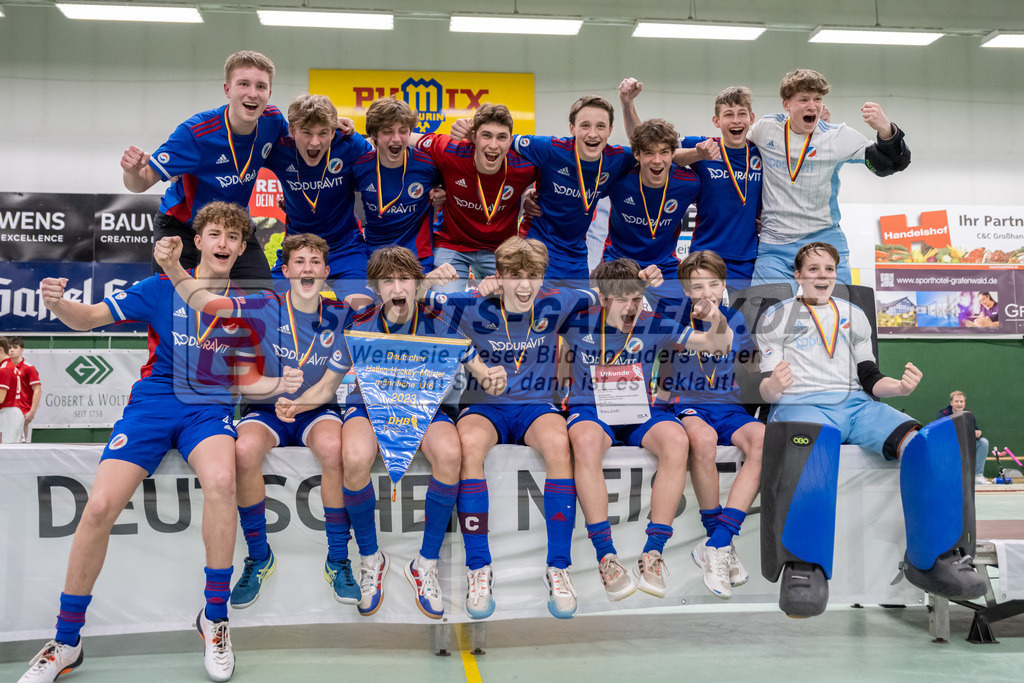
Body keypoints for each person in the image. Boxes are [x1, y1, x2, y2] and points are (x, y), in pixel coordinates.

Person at [19, 202, 303, 683]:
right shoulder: (158, 287)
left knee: (221, 481)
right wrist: (57, 305)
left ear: (242, 248)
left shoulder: (251, 303)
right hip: (152, 405)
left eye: (234, 238)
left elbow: (248, 378)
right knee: (99, 506)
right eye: (214, 233)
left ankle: (214, 618)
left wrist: (279, 385)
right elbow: (87, 318)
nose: (224, 244)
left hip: (207, 409)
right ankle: (67, 641)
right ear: (198, 240)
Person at [756, 241, 985, 617]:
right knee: (811, 449)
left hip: (856, 405)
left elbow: (870, 378)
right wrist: (775, 386)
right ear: (797, 275)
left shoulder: (853, 314)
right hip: (801, 403)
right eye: (813, 269)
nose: (822, 276)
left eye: (828, 269)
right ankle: (803, 567)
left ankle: (934, 558)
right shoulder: (776, 317)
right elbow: (766, 386)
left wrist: (900, 388)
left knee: (925, 443)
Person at [277, 245, 506, 620]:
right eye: (387, 281)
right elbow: (326, 386)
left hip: (426, 406)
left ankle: (425, 564)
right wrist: (298, 403)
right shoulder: (359, 323)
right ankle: (370, 558)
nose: (396, 287)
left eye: (403, 279)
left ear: (416, 284)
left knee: (450, 454)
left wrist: (493, 379)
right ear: (376, 288)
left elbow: (482, 371)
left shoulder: (440, 320)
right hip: (369, 405)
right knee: (352, 457)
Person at [155, 231, 360, 609]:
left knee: (334, 448)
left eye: (315, 262)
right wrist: (172, 268)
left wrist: (300, 404)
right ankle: (259, 555)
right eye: (299, 262)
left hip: (316, 409)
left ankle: (338, 558)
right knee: (244, 452)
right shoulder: (263, 305)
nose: (307, 268)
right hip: (265, 408)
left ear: (327, 271)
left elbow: (333, 382)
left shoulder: (339, 315)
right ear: (285, 270)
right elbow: (241, 379)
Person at [421, 236, 600, 619]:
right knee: (468, 445)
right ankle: (478, 568)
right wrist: (439, 280)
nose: (524, 285)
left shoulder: (558, 300)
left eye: (533, 275)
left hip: (535, 406)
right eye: (514, 276)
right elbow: (413, 298)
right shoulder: (473, 303)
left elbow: (601, 293)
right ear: (498, 276)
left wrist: (641, 277)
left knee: (558, 443)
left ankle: (559, 568)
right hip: (485, 406)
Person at [563, 258, 732, 601]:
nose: (631, 307)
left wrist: (717, 319)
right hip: (592, 409)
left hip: (639, 410)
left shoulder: (653, 321)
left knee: (676, 439)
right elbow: (530, 308)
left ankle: (653, 552)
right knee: (584, 441)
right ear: (604, 298)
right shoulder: (577, 321)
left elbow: (718, 345)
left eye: (637, 299)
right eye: (622, 299)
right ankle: (607, 557)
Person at [121, 51, 288, 291]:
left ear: (269, 94)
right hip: (182, 228)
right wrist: (133, 171)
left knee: (262, 301)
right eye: (243, 84)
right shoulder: (196, 133)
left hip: (234, 227)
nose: (253, 93)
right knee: (175, 305)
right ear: (227, 90)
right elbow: (140, 182)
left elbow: (307, 138)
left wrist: (335, 125)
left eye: (261, 86)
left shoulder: (273, 122)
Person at [657, 251, 764, 599]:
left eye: (714, 284)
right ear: (686, 290)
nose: (706, 292)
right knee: (701, 442)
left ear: (723, 284)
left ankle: (718, 544)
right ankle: (716, 542)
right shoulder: (671, 316)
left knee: (763, 439)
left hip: (727, 405)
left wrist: (774, 362)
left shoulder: (734, 316)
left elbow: (750, 363)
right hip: (687, 405)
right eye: (697, 285)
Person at [748, 68, 911, 286]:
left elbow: (889, 166)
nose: (812, 106)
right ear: (786, 104)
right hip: (774, 243)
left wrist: (886, 130)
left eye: (817, 99)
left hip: (823, 239)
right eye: (803, 99)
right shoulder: (765, 129)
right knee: (765, 313)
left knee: (841, 312)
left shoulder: (836, 136)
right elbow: (737, 158)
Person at [619, 79, 762, 290]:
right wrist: (627, 104)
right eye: (728, 115)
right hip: (705, 257)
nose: (736, 121)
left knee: (739, 321)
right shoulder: (702, 145)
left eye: (742, 114)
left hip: (747, 259)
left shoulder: (762, 151)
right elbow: (646, 144)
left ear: (751, 118)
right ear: (716, 120)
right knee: (701, 318)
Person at [414, 104, 537, 292]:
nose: (494, 145)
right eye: (486, 135)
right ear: (473, 137)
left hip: (500, 249)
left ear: (511, 140)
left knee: (514, 300)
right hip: (452, 244)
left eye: (501, 137)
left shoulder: (524, 167)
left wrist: (535, 193)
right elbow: (404, 137)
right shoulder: (450, 151)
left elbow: (557, 168)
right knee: (446, 304)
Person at [263, 95, 374, 297]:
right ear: (292, 130)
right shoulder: (278, 148)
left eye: (323, 133)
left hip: (345, 248)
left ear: (333, 131)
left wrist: (436, 188)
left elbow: (387, 163)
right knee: (274, 308)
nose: (315, 142)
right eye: (306, 133)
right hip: (297, 249)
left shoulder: (350, 144)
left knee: (362, 307)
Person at [604, 119, 700, 317]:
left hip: (664, 265)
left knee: (681, 319)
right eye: (649, 152)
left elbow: (718, 205)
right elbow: (583, 191)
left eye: (664, 152)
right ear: (637, 155)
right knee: (612, 321)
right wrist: (532, 195)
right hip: (619, 262)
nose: (657, 160)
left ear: (673, 154)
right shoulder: (618, 180)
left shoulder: (689, 183)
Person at [352, 97, 444, 271]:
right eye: (387, 132)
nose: (396, 139)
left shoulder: (429, 165)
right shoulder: (359, 166)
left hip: (417, 256)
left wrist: (443, 192)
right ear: (374, 136)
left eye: (403, 131)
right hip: (374, 255)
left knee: (416, 298)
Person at [939, 391, 990, 485]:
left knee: (983, 442)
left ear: (964, 403)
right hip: (949, 446)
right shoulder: (944, 414)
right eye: (956, 401)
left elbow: (975, 430)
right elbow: (944, 433)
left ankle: (977, 476)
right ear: (951, 403)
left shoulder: (969, 414)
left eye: (961, 401)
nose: (959, 404)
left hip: (965, 444)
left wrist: (978, 434)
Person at [5, 337, 42, 442]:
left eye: (15, 348)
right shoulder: (4, 368)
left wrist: (32, 412)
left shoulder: (29, 368)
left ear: (21, 350)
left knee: (22, 447)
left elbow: (38, 390)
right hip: (6, 413)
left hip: (23, 413)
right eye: (9, 348)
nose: (11, 350)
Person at [0, 337, 24, 444]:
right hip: (14, 412)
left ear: (1, 350)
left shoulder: (4, 369)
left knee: (5, 452)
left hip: (8, 414)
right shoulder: (11, 366)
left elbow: (1, 398)